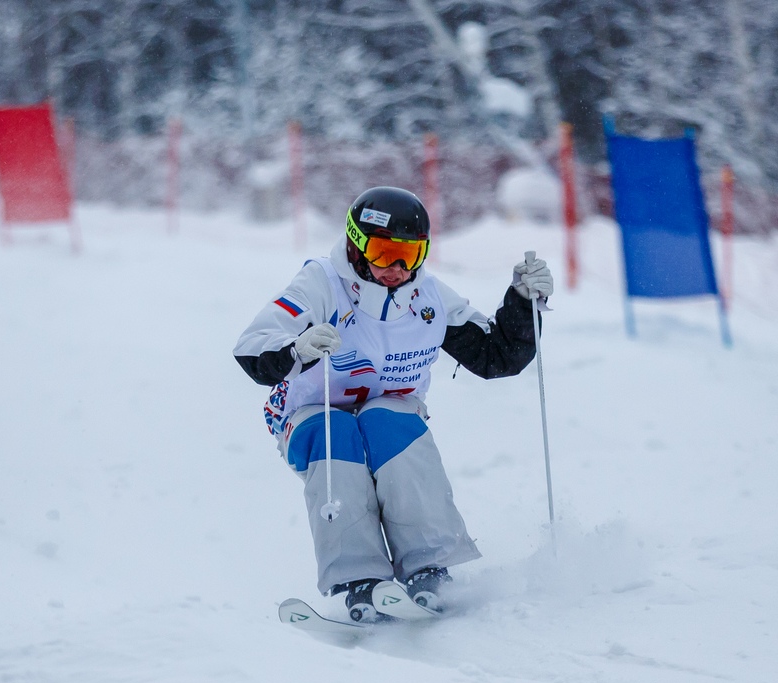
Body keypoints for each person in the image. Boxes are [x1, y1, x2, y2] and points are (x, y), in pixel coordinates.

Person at [234, 186, 554, 622]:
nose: (398, 269)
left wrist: (522, 303)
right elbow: (252, 346)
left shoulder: (429, 299)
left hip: (387, 410)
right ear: (356, 245)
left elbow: (497, 356)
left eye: (411, 254)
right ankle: (359, 576)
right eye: (384, 253)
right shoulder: (322, 283)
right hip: (309, 412)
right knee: (336, 432)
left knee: (388, 420)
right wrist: (295, 349)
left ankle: (428, 566)